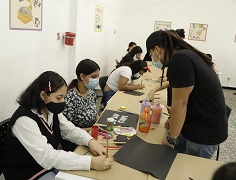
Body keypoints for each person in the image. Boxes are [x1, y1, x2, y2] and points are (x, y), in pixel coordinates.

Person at [2, 71, 113, 180]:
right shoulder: (24, 120)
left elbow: (69, 130)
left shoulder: (49, 108)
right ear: (43, 95)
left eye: (64, 97)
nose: (62, 101)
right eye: (59, 98)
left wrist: (90, 141)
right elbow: (46, 156)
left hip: (46, 163)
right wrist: (90, 163)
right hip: (27, 170)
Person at [145, 30, 228, 159]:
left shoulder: (180, 59)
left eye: (152, 56)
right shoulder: (185, 55)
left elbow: (181, 103)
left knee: (187, 170)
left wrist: (171, 139)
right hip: (195, 122)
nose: (154, 61)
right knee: (176, 161)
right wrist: (172, 118)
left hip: (203, 131)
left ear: (157, 49)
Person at [63, 59, 99, 130]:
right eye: (94, 77)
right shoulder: (70, 97)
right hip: (78, 136)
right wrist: (91, 129)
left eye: (98, 76)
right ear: (82, 76)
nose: (97, 79)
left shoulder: (91, 92)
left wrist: (99, 124)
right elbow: (67, 129)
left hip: (92, 131)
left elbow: (95, 114)